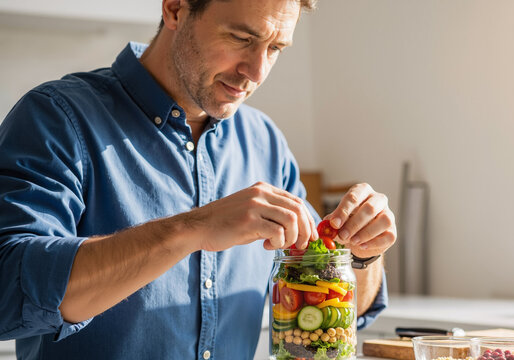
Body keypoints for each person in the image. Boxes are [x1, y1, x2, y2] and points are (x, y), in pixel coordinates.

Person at [0, 0, 397, 358]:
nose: (256, 72)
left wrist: (361, 255)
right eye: (242, 37)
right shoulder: (57, 118)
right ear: (175, 9)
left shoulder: (264, 142)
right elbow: (8, 292)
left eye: (275, 49)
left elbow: (337, 303)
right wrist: (193, 228)